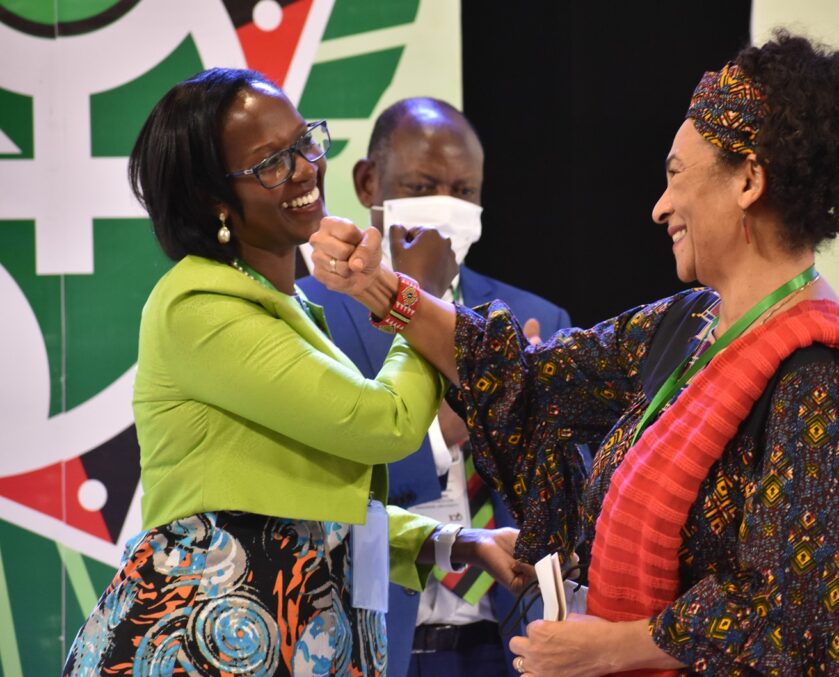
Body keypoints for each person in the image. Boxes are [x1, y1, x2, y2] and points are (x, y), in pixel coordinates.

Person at [310, 31, 839, 676]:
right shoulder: (688, 325)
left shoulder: (813, 370)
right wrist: (376, 286)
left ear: (748, 181)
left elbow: (787, 613)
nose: (660, 207)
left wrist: (611, 647)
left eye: (676, 175)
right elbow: (526, 377)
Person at [61, 68, 521, 677]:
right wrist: (421, 295)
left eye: (305, 142)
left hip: (294, 642)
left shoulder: (291, 309)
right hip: (209, 648)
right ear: (212, 200)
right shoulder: (198, 306)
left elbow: (314, 506)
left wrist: (459, 542)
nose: (305, 168)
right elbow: (382, 424)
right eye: (271, 162)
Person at [298, 97, 572, 677]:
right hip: (370, 640)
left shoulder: (534, 321)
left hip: (509, 642)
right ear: (370, 182)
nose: (446, 208)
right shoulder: (305, 316)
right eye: (424, 187)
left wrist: (522, 425)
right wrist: (444, 430)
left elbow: (571, 495)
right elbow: (312, 488)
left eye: (464, 192)